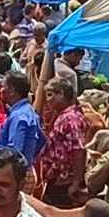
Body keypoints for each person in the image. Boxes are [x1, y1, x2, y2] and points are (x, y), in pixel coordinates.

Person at [36, 78, 89, 207]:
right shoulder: (62, 116)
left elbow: (79, 150)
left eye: (50, 95)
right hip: (55, 179)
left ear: (61, 94)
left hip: (64, 181)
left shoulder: (70, 118)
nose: (47, 100)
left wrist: (76, 182)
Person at [0, 71, 45, 168]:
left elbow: (14, 153)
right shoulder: (28, 111)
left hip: (13, 174)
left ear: (12, 91)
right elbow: (41, 140)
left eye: (3, 86)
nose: (0, 90)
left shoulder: (19, 116)